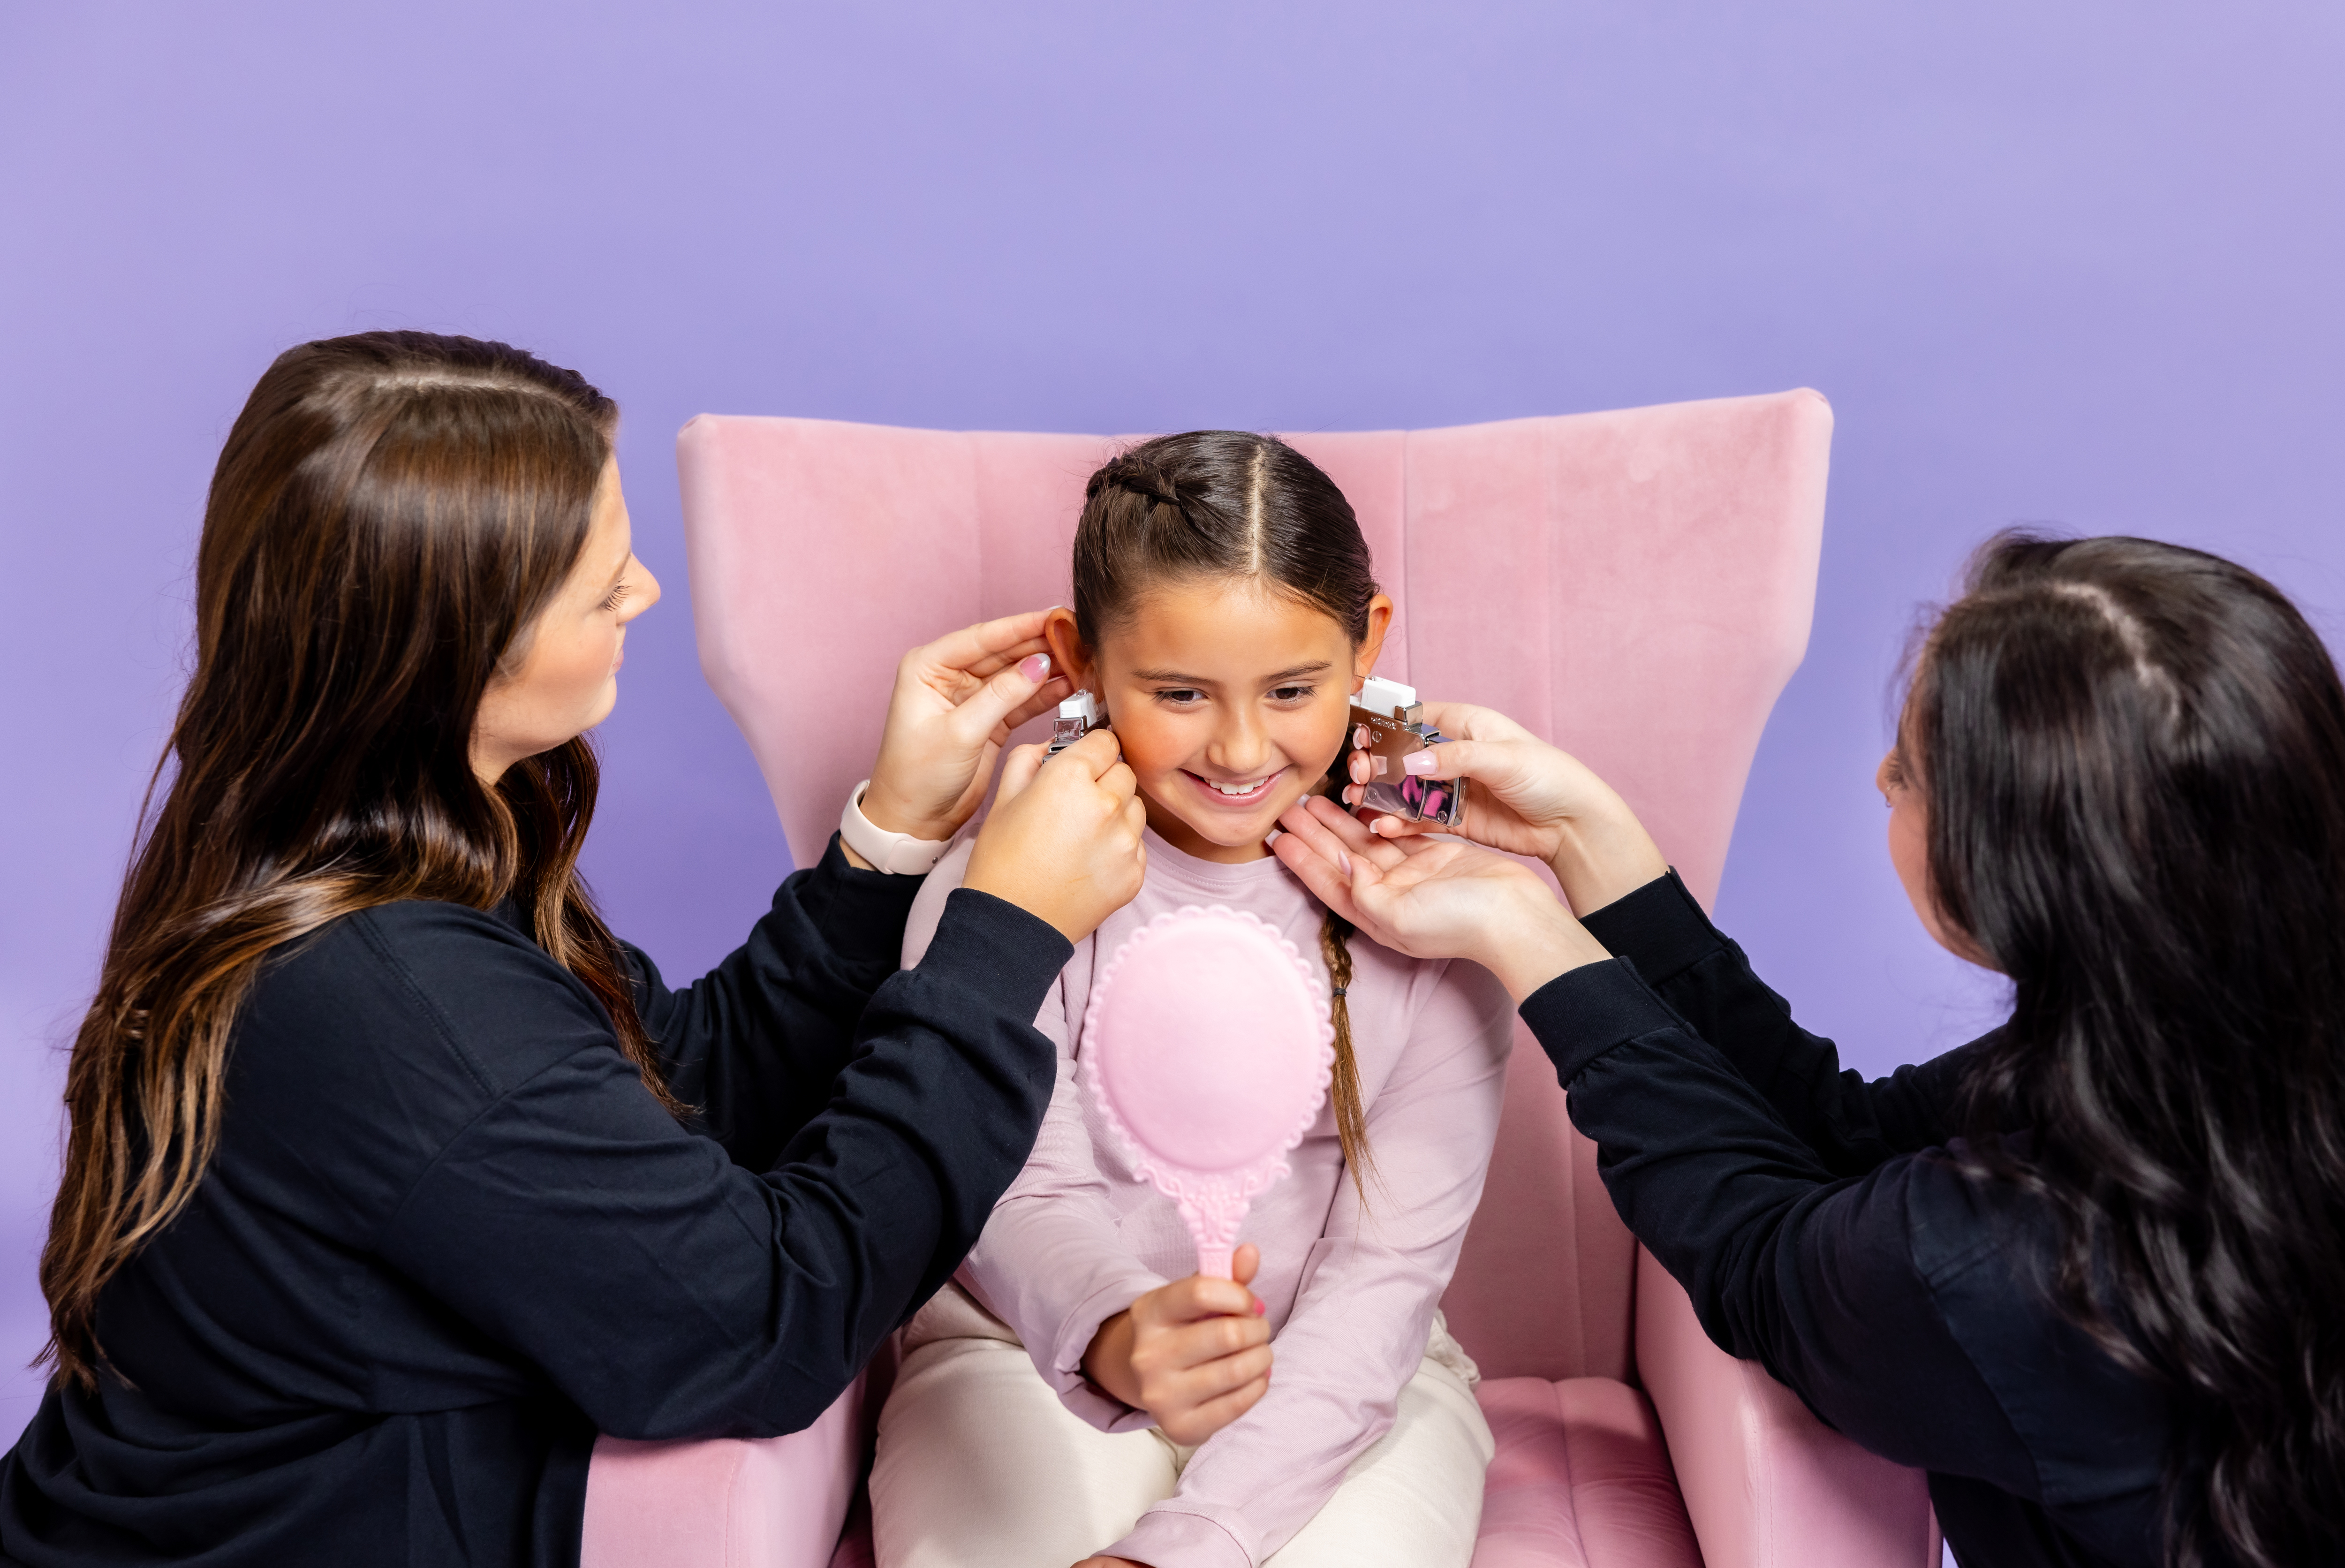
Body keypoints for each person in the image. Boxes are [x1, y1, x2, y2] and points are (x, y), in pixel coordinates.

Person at [0, 331, 1149, 1568]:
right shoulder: (393, 997)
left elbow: (673, 1093)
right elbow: (766, 1324)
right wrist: (1002, 940)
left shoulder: (376, 846)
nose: (644, 592)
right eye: (601, 588)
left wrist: (891, 839)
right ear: (455, 641)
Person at [1270, 532, 2345, 1568]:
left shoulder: (2005, 1268)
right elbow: (1840, 1135)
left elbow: (1762, 1249)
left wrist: (1528, 937)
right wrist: (1588, 843)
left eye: (1911, 770)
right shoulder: (2192, 1046)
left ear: (2021, 877)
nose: (1880, 776)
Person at [866, 432, 1515, 1568]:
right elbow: (1016, 1189)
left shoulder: (1435, 911)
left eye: (1292, 689)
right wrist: (1114, 1332)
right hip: (1016, 1353)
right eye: (1178, 692)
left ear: (1367, 642)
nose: (1240, 745)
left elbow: (1382, 1280)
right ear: (1081, 658)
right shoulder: (1001, 888)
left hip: (1348, 1377)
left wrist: (1192, 1543)